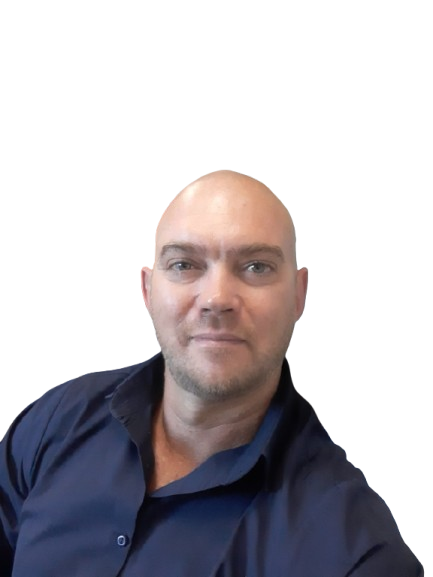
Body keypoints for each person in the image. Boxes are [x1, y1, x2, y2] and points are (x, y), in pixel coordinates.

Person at [0, 169, 423, 576]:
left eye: (256, 266)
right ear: (147, 289)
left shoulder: (356, 554)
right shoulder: (53, 423)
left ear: (299, 295)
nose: (217, 299)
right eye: (184, 264)